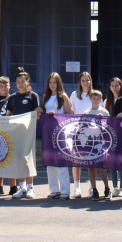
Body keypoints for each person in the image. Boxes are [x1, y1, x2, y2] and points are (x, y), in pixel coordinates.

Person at [6, 69, 41, 199]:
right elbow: (7, 115)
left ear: (28, 82)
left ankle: (31, 188)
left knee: (27, 159)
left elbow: (36, 115)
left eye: (23, 82)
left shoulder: (33, 96)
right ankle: (22, 187)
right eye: (18, 82)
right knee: (18, 160)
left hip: (28, 133)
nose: (20, 84)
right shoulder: (12, 98)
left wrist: (38, 111)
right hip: (15, 133)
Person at [42, 72, 72, 200]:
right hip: (48, 131)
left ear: (58, 83)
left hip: (60, 132)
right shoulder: (46, 97)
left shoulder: (63, 96)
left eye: (54, 82)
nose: (52, 85)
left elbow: (69, 113)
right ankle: (54, 190)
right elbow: (44, 112)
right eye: (50, 82)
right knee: (50, 161)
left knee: (61, 160)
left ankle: (65, 190)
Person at [69, 71, 94, 198]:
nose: (85, 82)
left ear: (90, 81)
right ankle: (77, 187)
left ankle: (91, 187)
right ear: (80, 82)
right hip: (77, 131)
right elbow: (71, 112)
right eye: (83, 80)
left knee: (91, 159)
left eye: (87, 80)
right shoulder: (74, 95)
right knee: (76, 160)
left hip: (91, 131)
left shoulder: (94, 95)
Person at [85, 90, 111, 200]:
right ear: (90, 99)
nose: (95, 100)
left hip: (101, 143)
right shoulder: (87, 113)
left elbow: (110, 127)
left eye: (98, 98)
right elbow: (83, 127)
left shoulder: (104, 112)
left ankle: (107, 188)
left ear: (101, 100)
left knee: (102, 167)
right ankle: (94, 189)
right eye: (93, 98)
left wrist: (103, 120)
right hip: (90, 143)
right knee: (91, 167)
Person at [0, 76, 14, 197]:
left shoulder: (13, 98)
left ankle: (13, 186)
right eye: (1, 86)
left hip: (10, 132)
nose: (4, 88)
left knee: (10, 159)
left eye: (6, 85)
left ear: (9, 86)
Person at [105, 76, 122, 196]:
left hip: (121, 133)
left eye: (117, 85)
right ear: (109, 88)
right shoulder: (107, 101)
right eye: (112, 86)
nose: (115, 88)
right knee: (111, 160)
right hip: (110, 133)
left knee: (121, 160)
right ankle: (115, 186)